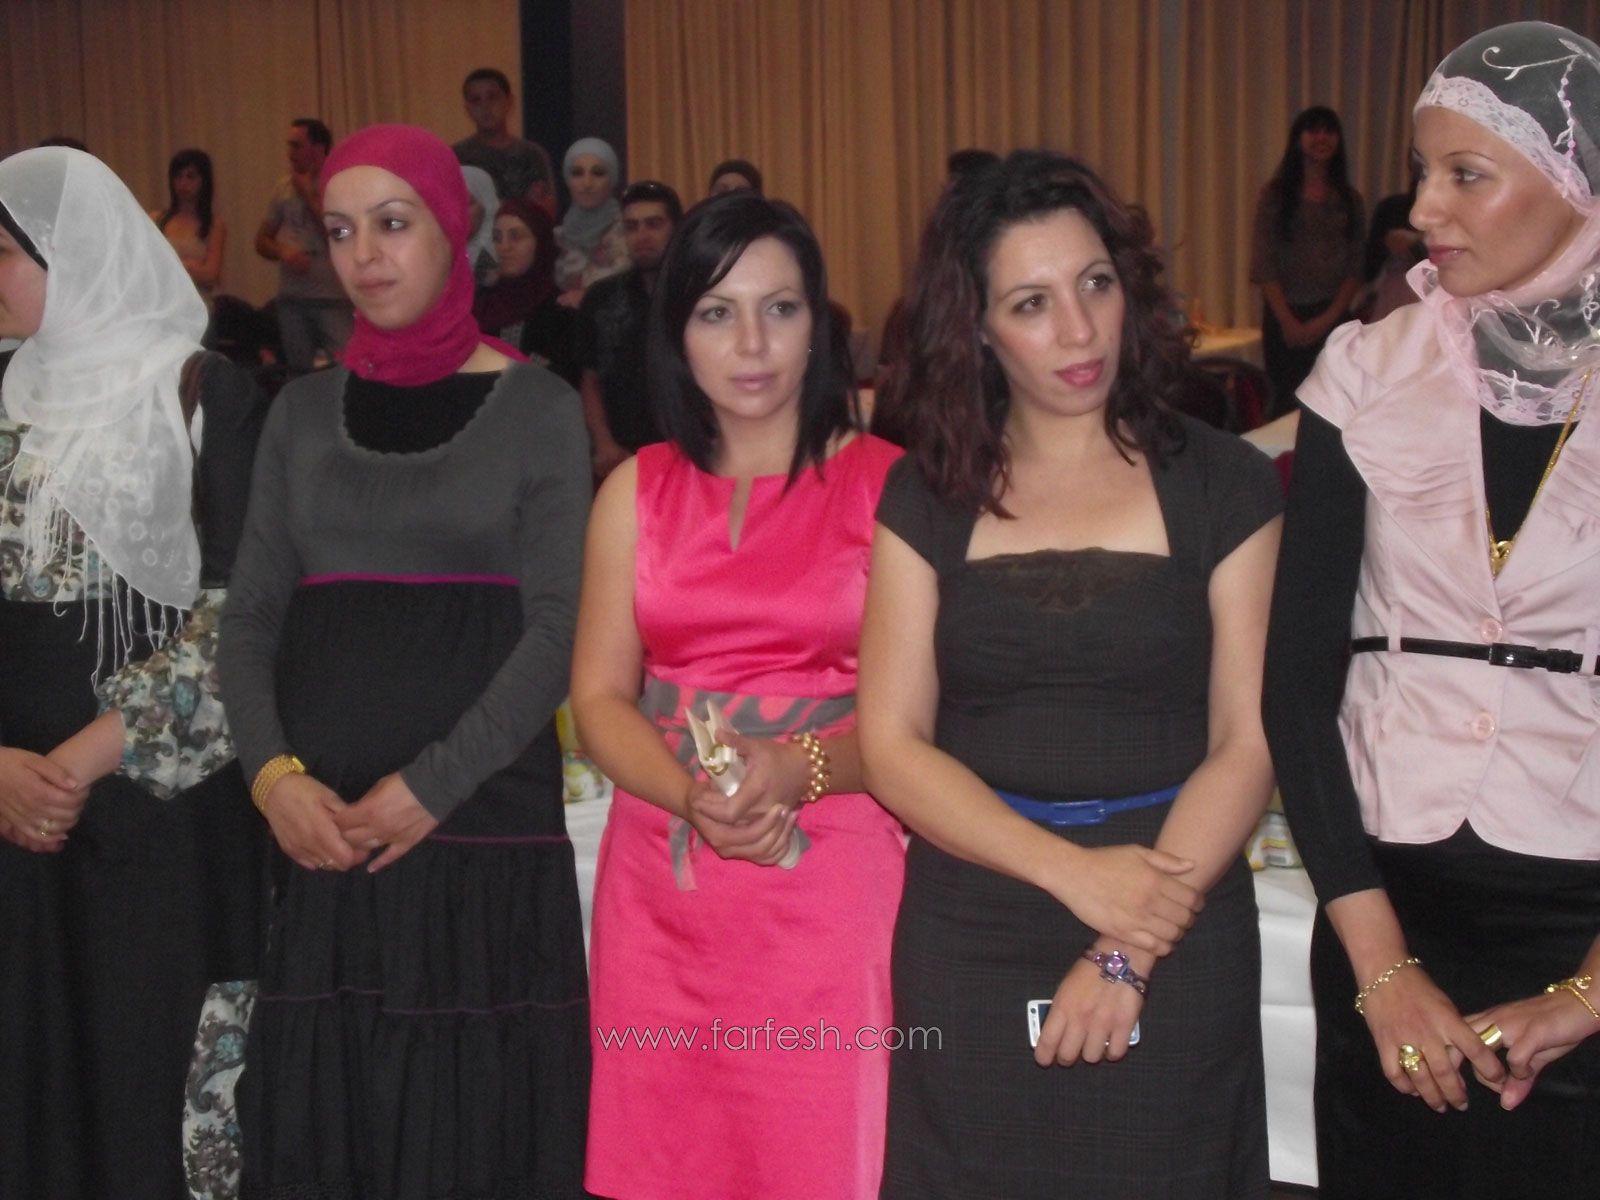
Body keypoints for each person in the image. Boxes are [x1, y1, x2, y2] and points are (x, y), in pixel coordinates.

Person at [858, 150, 1281, 1198]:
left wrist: (1125, 947)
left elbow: (1248, 742)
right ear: (977, 329)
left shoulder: (1223, 482)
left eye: (1095, 284)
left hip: (1175, 910)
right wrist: (1071, 874)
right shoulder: (925, 494)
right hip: (973, 919)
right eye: (1032, 304)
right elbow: (892, 746)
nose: (1080, 330)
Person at [218, 124, 592, 1199]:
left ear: (453, 228)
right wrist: (273, 780)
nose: (365, 255)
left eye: (393, 223)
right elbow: (249, 621)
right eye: (341, 231)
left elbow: (559, 629)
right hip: (324, 841)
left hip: (480, 835)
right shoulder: (298, 412)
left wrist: (431, 786)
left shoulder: (539, 407)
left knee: (475, 1140)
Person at [1263, 22, 1600, 1200]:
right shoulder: (1365, 372)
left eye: (1466, 174)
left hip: (1578, 912)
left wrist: (1586, 994)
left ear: (1574, 184)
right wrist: (1380, 968)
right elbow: (1295, 682)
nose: (1424, 209)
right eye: (1421, 172)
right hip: (1382, 897)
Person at [573, 190, 906, 1199]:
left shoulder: (892, 488)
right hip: (663, 881)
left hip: (830, 868)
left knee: (819, 1153)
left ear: (820, 324)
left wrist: (794, 771)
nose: (752, 344)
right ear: (677, 333)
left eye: (781, 308)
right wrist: (692, 796)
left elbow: (919, 723)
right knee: (665, 1158)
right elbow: (599, 700)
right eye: (717, 312)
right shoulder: (633, 490)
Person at [0, 145, 266, 1200]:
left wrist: (75, 763)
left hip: (163, 815)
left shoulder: (196, 390)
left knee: (154, 1083)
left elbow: (245, 612)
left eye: (4, 253)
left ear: (78, 257)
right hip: (14, 812)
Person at [1251, 105, 1365, 416]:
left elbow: (1356, 267)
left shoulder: (1350, 200)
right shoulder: (1275, 196)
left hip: (1333, 318)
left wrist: (1327, 320)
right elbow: (1264, 262)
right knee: (1285, 406)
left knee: (1334, 408)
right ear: (1298, 139)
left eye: (1329, 131)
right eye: (1313, 130)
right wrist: (1288, 321)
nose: (1322, 138)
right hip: (1284, 318)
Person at [573, 179, 682, 477]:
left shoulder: (698, 298)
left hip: (690, 457)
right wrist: (604, 444)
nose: (642, 235)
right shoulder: (601, 298)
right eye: (632, 226)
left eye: (653, 224)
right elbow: (589, 379)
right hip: (619, 458)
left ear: (676, 229)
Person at [253, 118, 353, 373]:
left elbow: (339, 236)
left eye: (297, 146)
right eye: (289, 146)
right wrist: (282, 250)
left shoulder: (339, 184)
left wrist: (308, 195)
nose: (290, 153)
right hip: (292, 300)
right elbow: (261, 241)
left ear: (318, 149)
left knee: (345, 368)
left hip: (332, 297)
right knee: (299, 374)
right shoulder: (283, 187)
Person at [474, 196, 577, 384]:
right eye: (497, 238)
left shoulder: (561, 310)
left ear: (540, 242)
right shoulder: (481, 304)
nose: (504, 247)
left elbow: (564, 380)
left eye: (516, 236)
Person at [453, 66, 557, 215]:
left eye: (492, 97)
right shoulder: (456, 156)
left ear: (509, 101)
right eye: (476, 100)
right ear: (467, 108)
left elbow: (548, 210)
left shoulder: (532, 154)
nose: (485, 106)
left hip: (523, 230)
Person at [554, 137, 628, 303]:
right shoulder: (558, 238)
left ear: (612, 178)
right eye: (577, 173)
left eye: (598, 173)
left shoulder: (629, 230)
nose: (587, 183)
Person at [153, 148, 226, 310]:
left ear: (203, 181)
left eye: (190, 176)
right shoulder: (157, 219)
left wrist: (171, 263)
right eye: (178, 176)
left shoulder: (214, 225)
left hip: (199, 305)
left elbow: (210, 275)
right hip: (164, 304)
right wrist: (191, 265)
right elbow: (150, 264)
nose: (183, 183)